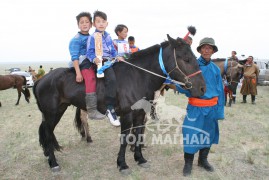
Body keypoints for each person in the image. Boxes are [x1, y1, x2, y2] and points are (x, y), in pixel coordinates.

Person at [176, 37, 225, 176]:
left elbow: (220, 91)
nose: (207, 50)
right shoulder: (192, 65)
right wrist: (181, 87)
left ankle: (203, 160)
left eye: (210, 48)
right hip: (196, 108)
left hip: (211, 108)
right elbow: (185, 86)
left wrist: (219, 111)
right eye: (204, 47)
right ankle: (188, 164)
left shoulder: (215, 69)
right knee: (191, 135)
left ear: (213, 51)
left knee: (208, 135)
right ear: (200, 49)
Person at [87, 10, 124, 127]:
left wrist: (117, 56)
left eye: (103, 21)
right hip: (101, 62)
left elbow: (112, 50)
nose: (101, 24)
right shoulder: (93, 37)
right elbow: (89, 52)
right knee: (112, 79)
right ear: (94, 24)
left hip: (111, 60)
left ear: (107, 23)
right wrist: (94, 59)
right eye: (98, 21)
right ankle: (109, 108)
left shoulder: (108, 36)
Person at [68, 12, 105, 120]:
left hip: (92, 60)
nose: (84, 24)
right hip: (82, 62)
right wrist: (78, 73)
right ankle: (92, 110)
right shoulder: (76, 39)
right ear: (78, 25)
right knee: (91, 78)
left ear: (91, 24)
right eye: (81, 22)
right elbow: (74, 57)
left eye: (87, 22)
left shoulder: (92, 37)